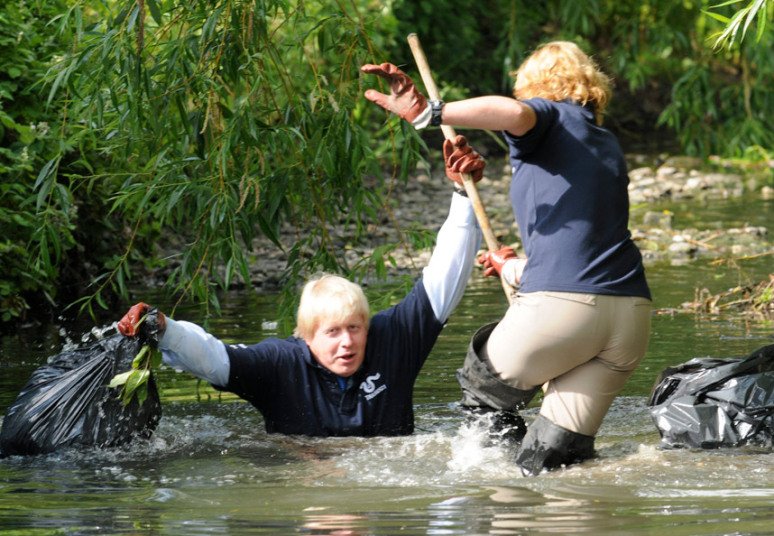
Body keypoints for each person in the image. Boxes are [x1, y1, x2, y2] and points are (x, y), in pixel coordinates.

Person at [361, 40, 652, 475]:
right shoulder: (605, 144)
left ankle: (493, 497)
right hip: (629, 318)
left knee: (484, 388)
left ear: (534, 86)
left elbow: (514, 114)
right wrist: (512, 267)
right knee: (555, 463)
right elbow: (584, 249)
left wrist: (429, 113)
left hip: (565, 312)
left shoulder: (548, 116)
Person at [117, 135, 486, 437]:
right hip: (304, 473)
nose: (348, 342)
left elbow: (443, 279)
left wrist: (462, 194)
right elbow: (215, 358)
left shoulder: (393, 340)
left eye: (354, 328)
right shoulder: (280, 365)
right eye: (333, 332)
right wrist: (164, 328)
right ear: (306, 337)